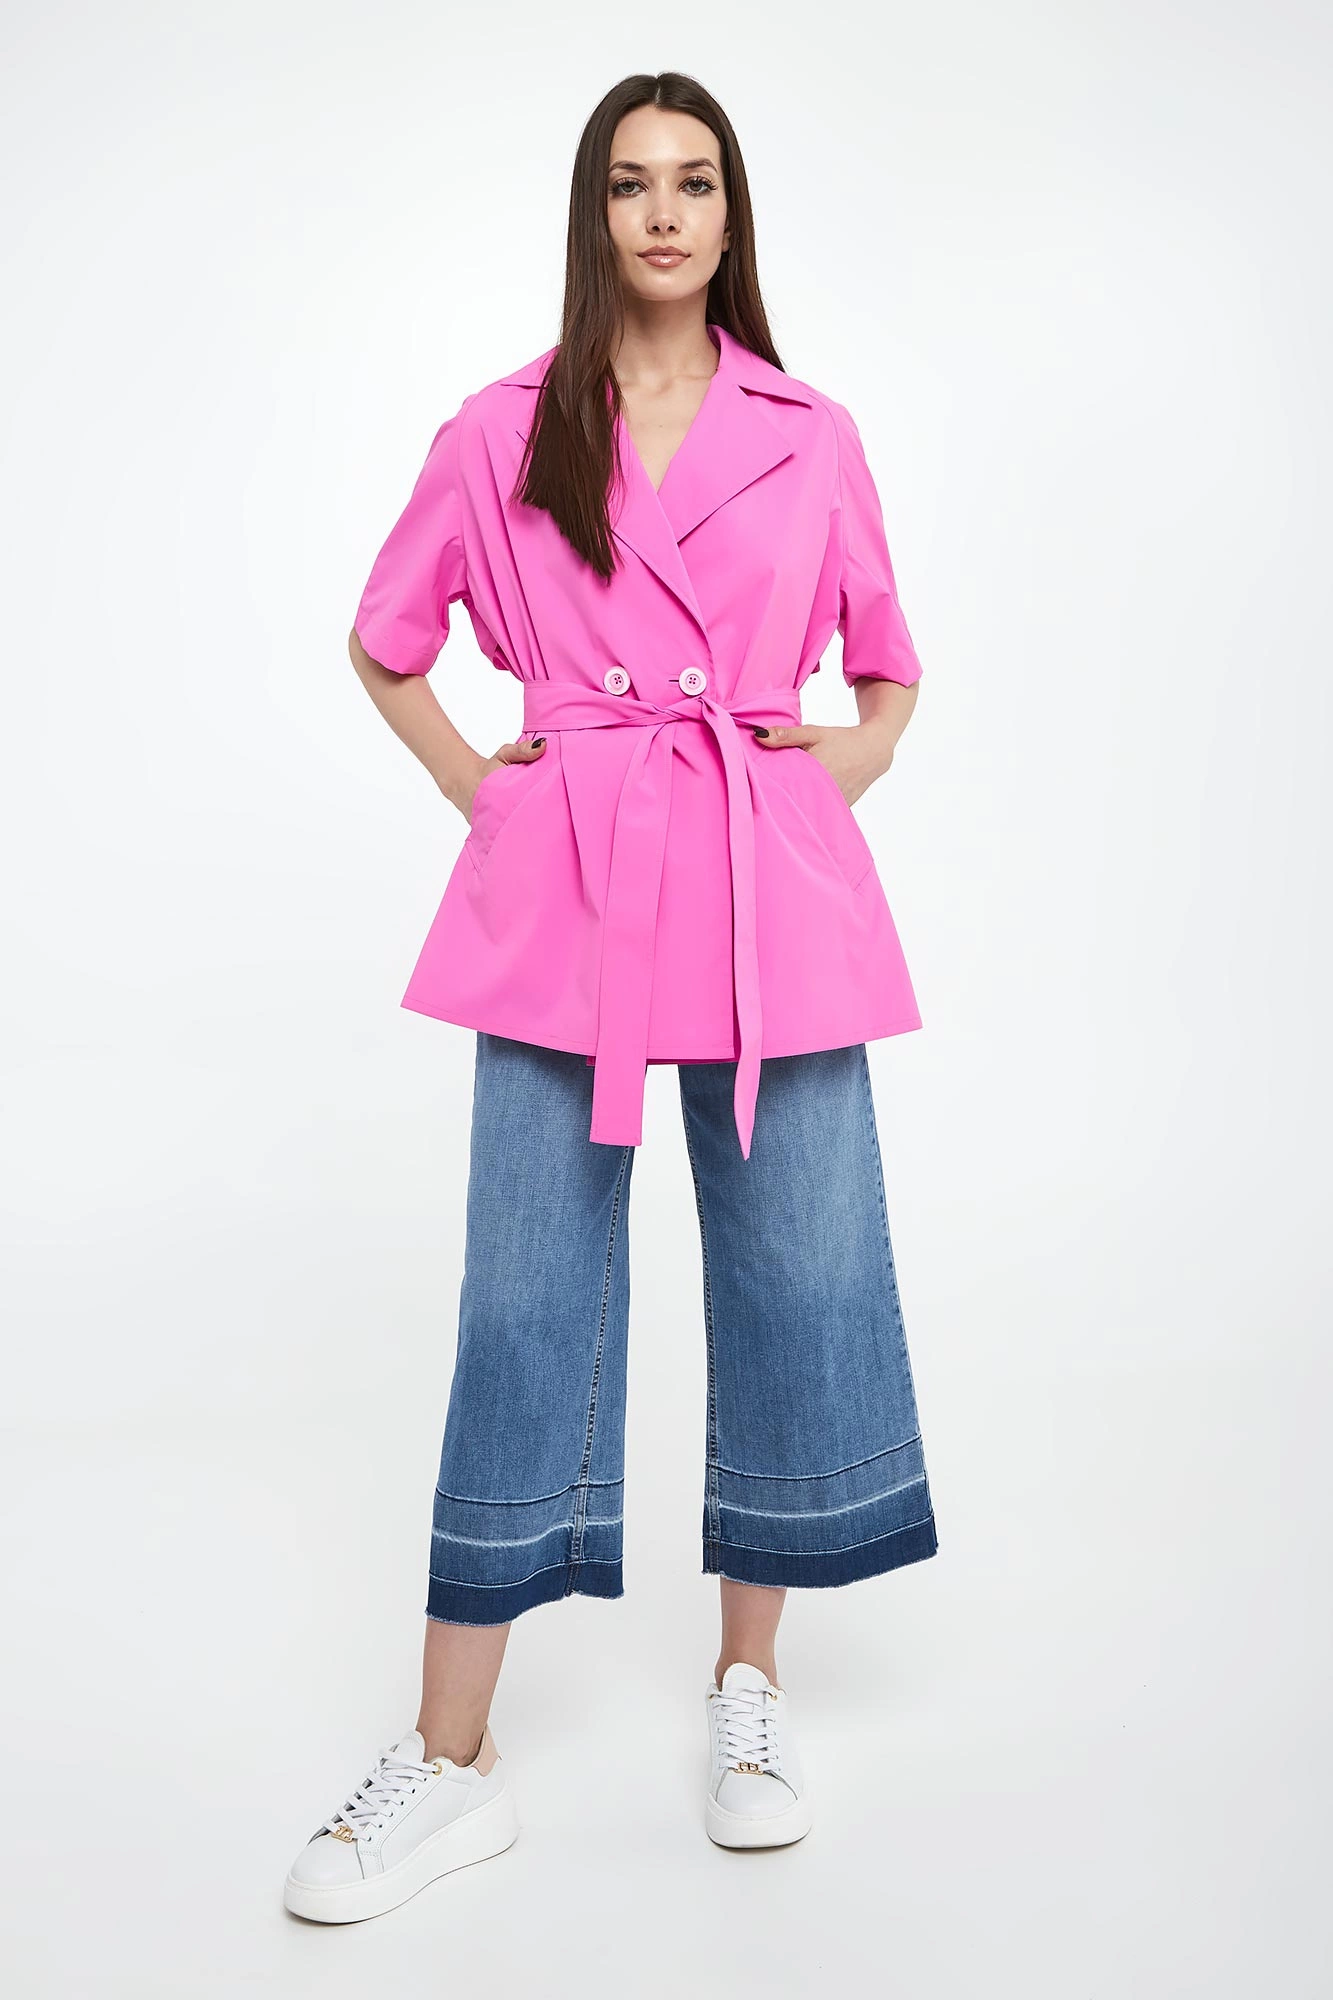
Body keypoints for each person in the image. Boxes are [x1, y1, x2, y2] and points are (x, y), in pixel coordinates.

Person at [284, 70, 939, 1925]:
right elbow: (385, 639)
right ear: (595, 214)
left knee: (796, 1265)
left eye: (696, 183)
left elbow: (890, 668)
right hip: (567, 878)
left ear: (732, 217)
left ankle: (749, 1690)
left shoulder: (809, 431)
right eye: (633, 184)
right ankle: (452, 1758)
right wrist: (477, 786)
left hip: (761, 878)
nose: (665, 213)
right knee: (524, 1295)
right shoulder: (505, 427)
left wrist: (837, 772)